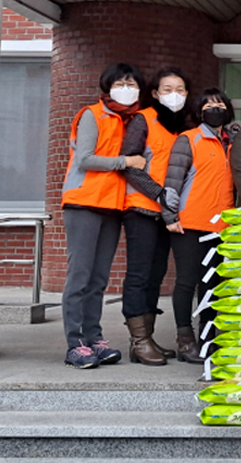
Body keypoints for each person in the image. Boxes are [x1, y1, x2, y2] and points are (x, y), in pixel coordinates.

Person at [60, 63, 147, 369]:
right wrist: (126, 161)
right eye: (122, 82)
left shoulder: (132, 122)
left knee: (98, 279)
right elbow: (84, 159)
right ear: (108, 86)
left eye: (133, 84)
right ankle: (75, 344)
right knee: (80, 276)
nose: (127, 88)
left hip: (112, 207)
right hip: (84, 202)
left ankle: (94, 338)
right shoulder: (91, 114)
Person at [118, 67, 191, 366]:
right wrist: (158, 193)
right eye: (168, 88)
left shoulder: (179, 127)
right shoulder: (143, 119)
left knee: (156, 274)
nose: (175, 94)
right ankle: (138, 340)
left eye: (181, 89)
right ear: (155, 93)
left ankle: (146, 339)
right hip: (141, 208)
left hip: (165, 213)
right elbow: (130, 165)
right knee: (138, 274)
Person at [161, 88, 235, 363]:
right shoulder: (188, 139)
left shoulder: (231, 142)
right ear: (199, 110)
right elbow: (172, 182)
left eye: (220, 103)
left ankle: (209, 337)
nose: (215, 108)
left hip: (222, 226)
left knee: (213, 284)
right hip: (189, 224)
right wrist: (170, 217)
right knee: (186, 282)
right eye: (209, 104)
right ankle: (185, 340)